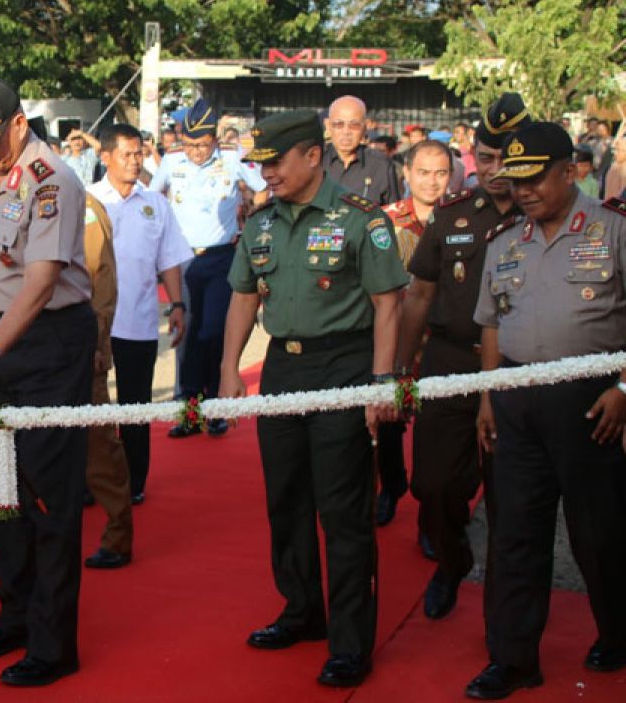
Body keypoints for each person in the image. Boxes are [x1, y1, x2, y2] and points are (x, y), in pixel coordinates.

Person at [219, 109, 408, 688]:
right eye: (261, 165)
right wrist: (229, 370)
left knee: (342, 509)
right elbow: (244, 298)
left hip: (344, 365)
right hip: (282, 368)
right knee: (287, 498)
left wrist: (381, 381)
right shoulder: (260, 223)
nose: (266, 174)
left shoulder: (360, 220)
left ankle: (351, 641)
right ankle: (302, 610)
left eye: (274, 163)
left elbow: (388, 304)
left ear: (311, 155)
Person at [0, 74, 95, 687]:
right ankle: (14, 618)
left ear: (19, 125)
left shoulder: (51, 179)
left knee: (47, 496)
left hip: (47, 346)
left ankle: (54, 645)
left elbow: (40, 282)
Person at [465, 122, 626, 699]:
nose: (524, 190)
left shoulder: (613, 232)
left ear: (570, 171)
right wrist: (488, 395)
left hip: (592, 403)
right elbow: (490, 324)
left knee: (600, 531)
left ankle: (617, 629)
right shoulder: (506, 242)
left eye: (535, 178)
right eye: (516, 179)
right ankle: (512, 659)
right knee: (514, 534)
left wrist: (624, 390)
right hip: (515, 401)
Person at [396, 91, 526, 623]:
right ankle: (451, 561)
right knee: (433, 484)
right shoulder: (452, 216)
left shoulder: (539, 214)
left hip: (518, 368)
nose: (496, 171)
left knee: (510, 492)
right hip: (448, 362)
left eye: (506, 160)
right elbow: (420, 296)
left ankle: (508, 598)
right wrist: (401, 370)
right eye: (487, 159)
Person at [90, 123, 191, 506]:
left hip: (139, 319)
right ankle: (91, 480)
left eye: (140, 154)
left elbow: (169, 259)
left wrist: (178, 304)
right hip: (95, 323)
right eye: (127, 154)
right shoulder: (87, 201)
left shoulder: (156, 204)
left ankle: (133, 481)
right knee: (91, 406)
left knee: (135, 405)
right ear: (106, 158)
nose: (135, 161)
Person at [150, 100, 265, 436]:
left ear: (214, 139)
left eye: (201, 144)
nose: (195, 151)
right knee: (185, 334)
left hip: (220, 258)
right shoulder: (172, 162)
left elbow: (263, 190)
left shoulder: (232, 158)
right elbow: (153, 199)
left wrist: (250, 225)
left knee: (215, 332)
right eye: (189, 143)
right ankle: (188, 409)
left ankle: (215, 405)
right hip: (182, 258)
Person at [372, 140, 453, 526]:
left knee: (437, 431)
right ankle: (390, 487)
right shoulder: (383, 222)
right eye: (423, 172)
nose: (431, 182)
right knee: (389, 420)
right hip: (397, 338)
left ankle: (432, 513)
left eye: (441, 173)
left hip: (444, 342)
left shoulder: (461, 219)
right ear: (406, 173)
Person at [79, 188, 134, 568]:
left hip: (79, 347)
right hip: (31, 348)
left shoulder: (81, 207)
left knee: (99, 447)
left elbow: (101, 278)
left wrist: (98, 343)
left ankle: (117, 535)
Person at [324, 96, 402, 206]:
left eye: (354, 125)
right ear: (327, 125)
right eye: (339, 124)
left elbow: (393, 213)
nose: (346, 132)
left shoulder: (381, 166)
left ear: (365, 127)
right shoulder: (314, 163)